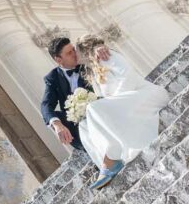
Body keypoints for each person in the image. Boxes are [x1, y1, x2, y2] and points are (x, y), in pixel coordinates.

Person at [73, 34, 170, 190]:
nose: (74, 54)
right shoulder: (93, 73)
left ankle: (110, 160)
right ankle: (108, 162)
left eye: (75, 50)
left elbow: (129, 77)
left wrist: (114, 102)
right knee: (83, 126)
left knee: (94, 108)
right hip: (126, 103)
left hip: (143, 95)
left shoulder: (106, 55)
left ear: (84, 50)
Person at [40, 37, 88, 154]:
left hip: (98, 109)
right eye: (69, 53)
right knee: (54, 117)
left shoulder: (86, 64)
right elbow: (46, 104)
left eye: (73, 50)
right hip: (78, 122)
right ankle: (85, 147)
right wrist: (57, 125)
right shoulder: (52, 77)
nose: (74, 54)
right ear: (58, 59)